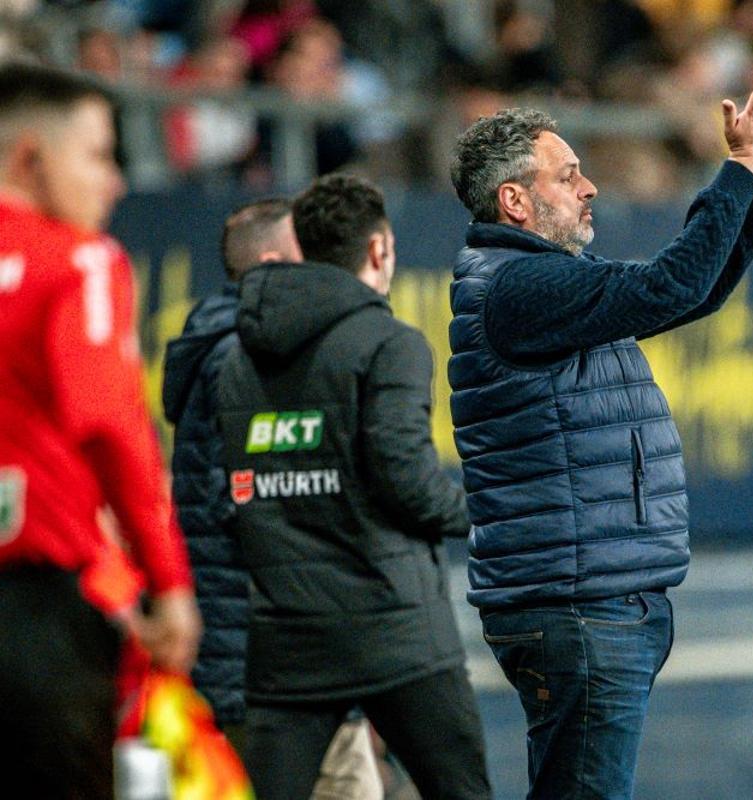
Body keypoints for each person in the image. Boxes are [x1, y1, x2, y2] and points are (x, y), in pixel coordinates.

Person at [447, 59, 753, 799]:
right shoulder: (521, 287)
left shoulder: (534, 282)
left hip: (589, 600)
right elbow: (672, 284)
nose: (589, 186)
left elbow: (685, 298)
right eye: (567, 175)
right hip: (578, 605)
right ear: (515, 202)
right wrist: (737, 171)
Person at [216, 173, 491, 800]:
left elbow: (232, 493)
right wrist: (479, 514)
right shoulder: (390, 344)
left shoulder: (238, 360)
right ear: (379, 250)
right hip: (396, 632)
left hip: (288, 639)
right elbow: (409, 482)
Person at [0, 61, 200, 797]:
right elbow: (115, 429)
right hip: (38, 615)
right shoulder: (79, 263)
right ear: (30, 156)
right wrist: (170, 584)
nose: (114, 182)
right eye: (99, 155)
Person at [163, 197, 299, 746]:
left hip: (243, 636)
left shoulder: (235, 345)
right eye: (304, 252)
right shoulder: (238, 356)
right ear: (270, 266)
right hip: (243, 643)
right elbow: (240, 498)